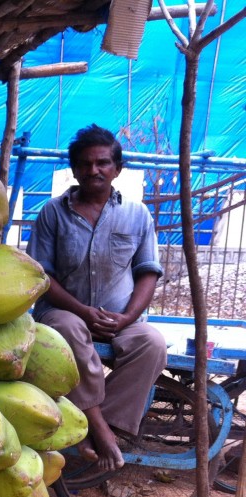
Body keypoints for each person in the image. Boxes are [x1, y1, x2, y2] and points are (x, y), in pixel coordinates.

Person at [28, 124, 168, 472]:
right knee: (69, 328)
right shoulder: (52, 213)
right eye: (85, 164)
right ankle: (102, 431)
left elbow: (148, 273)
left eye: (103, 163)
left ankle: (93, 424)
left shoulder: (138, 214)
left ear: (117, 169)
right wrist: (82, 310)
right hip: (63, 312)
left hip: (118, 319)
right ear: (73, 170)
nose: (94, 170)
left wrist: (127, 318)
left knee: (151, 342)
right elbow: (41, 275)